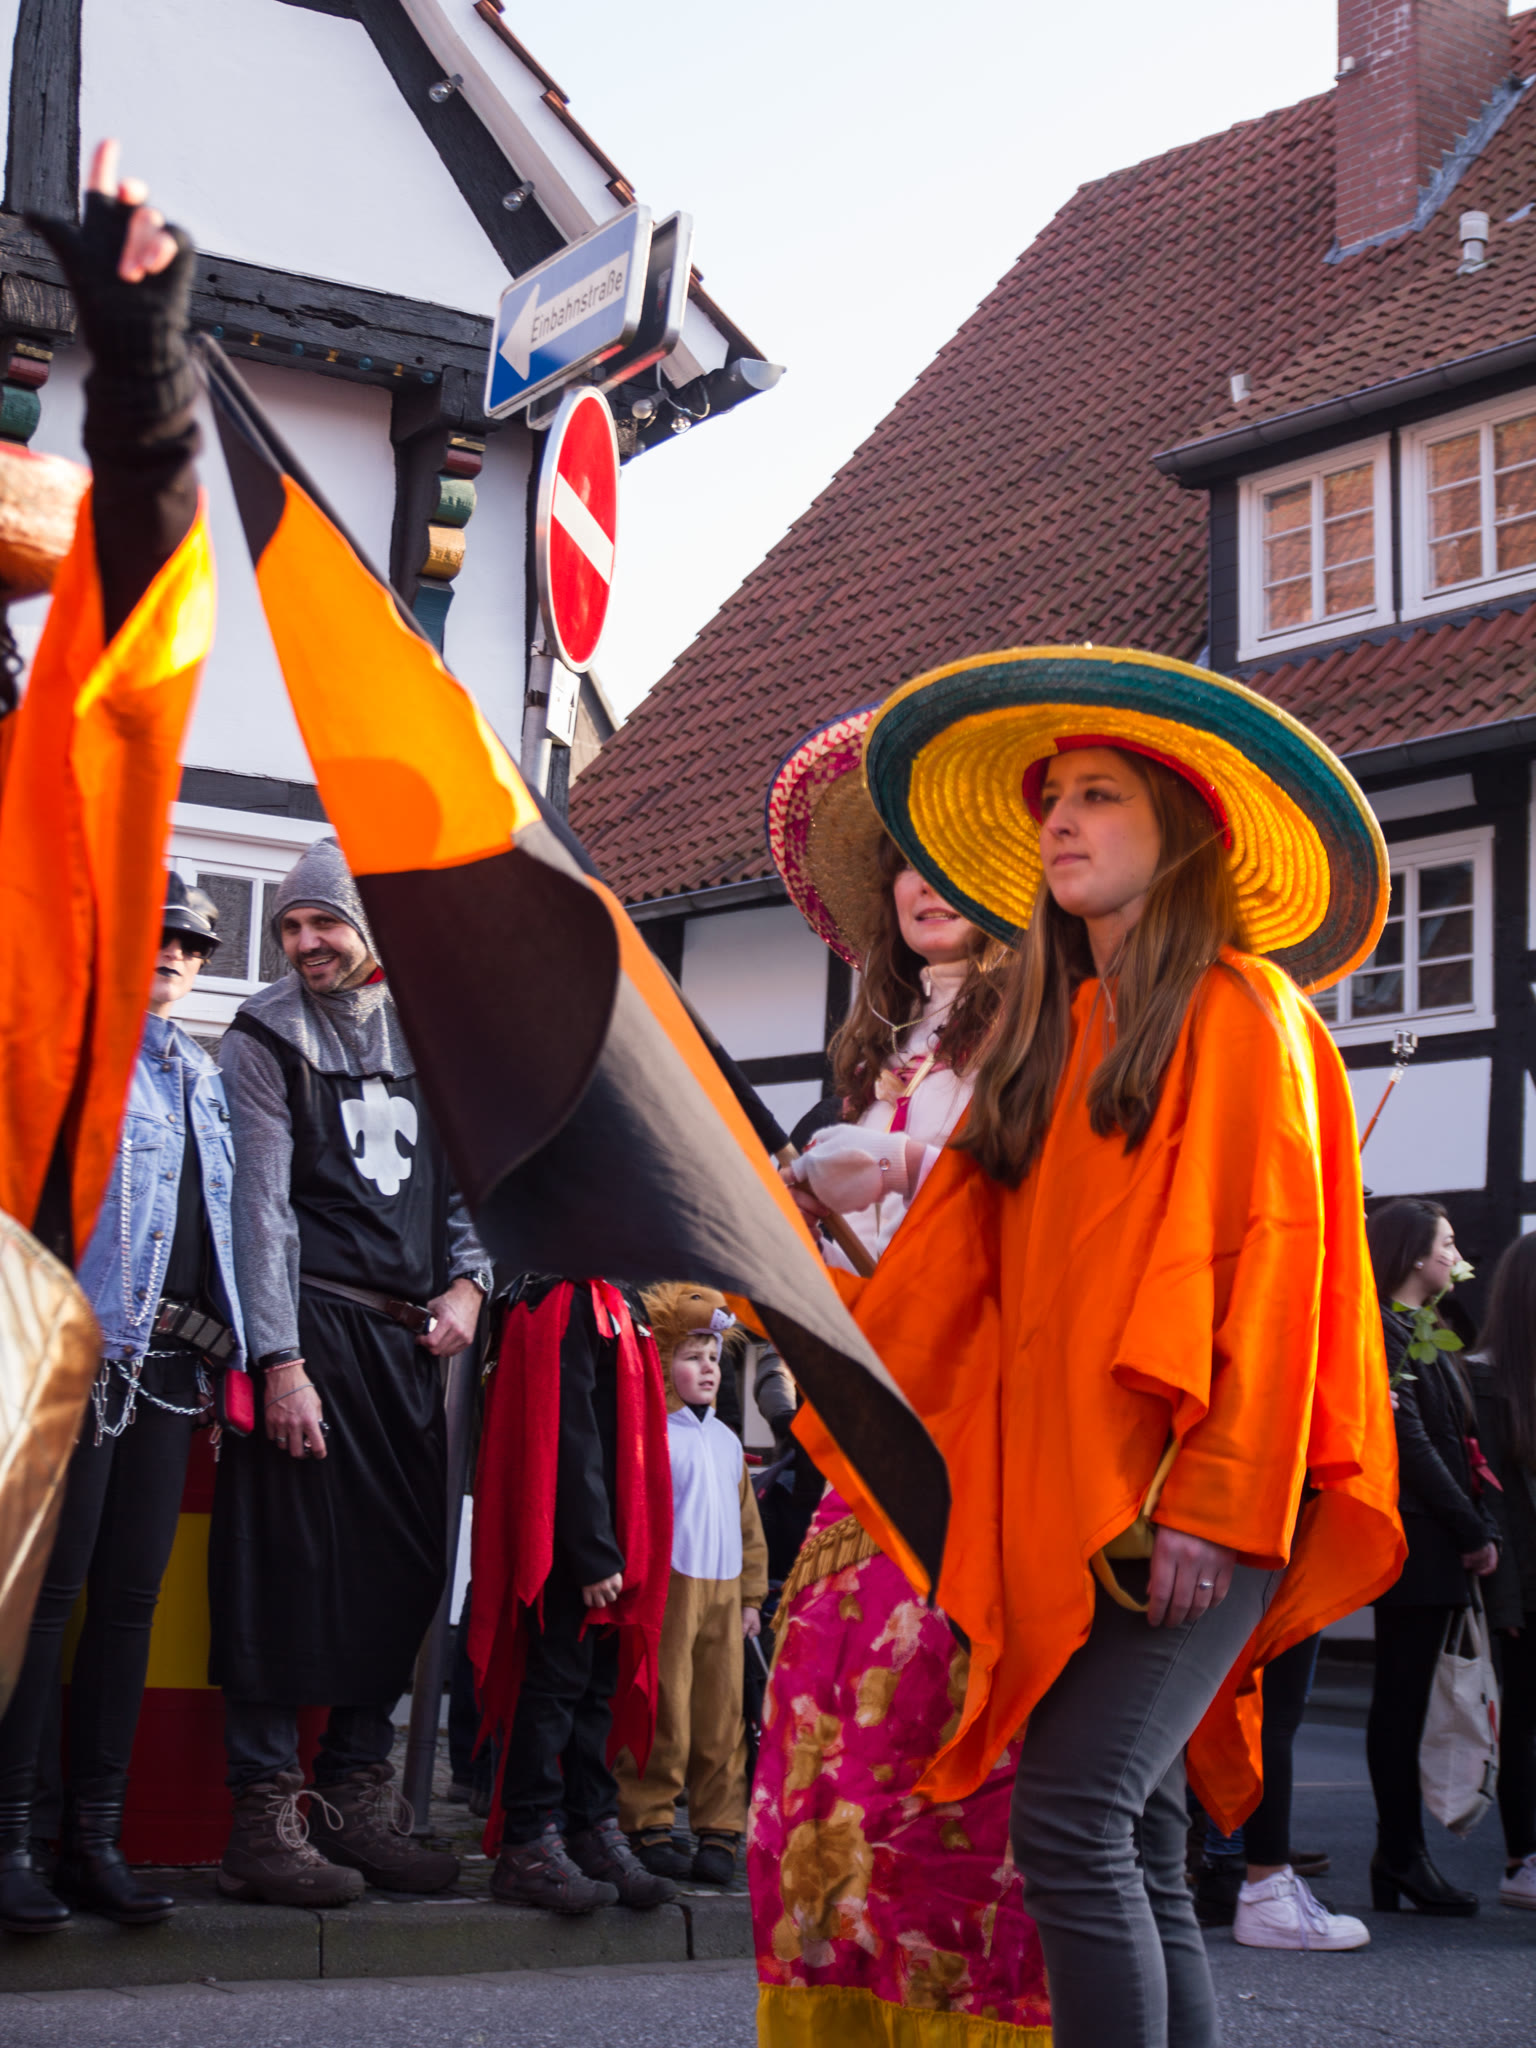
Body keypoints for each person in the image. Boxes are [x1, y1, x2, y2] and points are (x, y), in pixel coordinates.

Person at [787, 649, 1405, 2048]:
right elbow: (959, 1274)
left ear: (1181, 829)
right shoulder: (1057, 1033)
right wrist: (787, 1239)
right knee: (1131, 1845)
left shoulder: (1247, 1011)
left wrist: (1214, 1497)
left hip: (1196, 1496)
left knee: (1072, 1822)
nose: (1060, 819)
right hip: (1086, 1498)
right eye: (1051, 797)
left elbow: (1274, 1272)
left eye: (1099, 794)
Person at [752, 708, 1049, 2046]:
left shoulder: (1051, 1023)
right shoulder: (884, 1045)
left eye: (951, 853)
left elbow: (1057, 1210)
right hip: (870, 1427)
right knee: (820, 1761)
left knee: (945, 1772)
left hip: (984, 1435)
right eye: (903, 859)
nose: (923, 880)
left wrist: (913, 1166)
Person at [211, 839, 491, 1906]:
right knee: (284, 1565)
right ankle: (263, 1814)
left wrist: (468, 1284)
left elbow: (468, 1182)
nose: (304, 942)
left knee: (400, 1565)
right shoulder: (262, 1034)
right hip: (309, 1329)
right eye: (290, 926)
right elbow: (258, 1208)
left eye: (322, 921)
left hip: (406, 1342)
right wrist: (279, 1359)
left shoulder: (433, 1032)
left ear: (368, 927)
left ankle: (355, 1798)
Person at [0, 877, 246, 1935]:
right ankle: (12, 1838)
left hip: (175, 1369)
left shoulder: (203, 1074)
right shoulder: (70, 1061)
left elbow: (226, 1226)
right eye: (155, 937)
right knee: (46, 1598)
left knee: (130, 1601)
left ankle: (94, 1841)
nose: (174, 954)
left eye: (190, 942)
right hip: (79, 1361)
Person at [470, 1276, 678, 1914]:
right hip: (572, 1545)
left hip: (612, 1540)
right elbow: (565, 1428)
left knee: (594, 1692)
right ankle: (527, 1842)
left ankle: (590, 1825)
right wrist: (591, 1550)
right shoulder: (560, 1295)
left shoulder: (614, 1297)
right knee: (554, 1688)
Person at [1365, 1197, 1498, 1916]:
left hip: (1437, 1534)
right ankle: (1400, 1853)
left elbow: (1457, 1442)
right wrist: (1471, 1528)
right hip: (1419, 1536)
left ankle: (1402, 1855)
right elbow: (1411, 1445)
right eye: (1446, 1245)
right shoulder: (1387, 1330)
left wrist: (1475, 1523)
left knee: (1411, 1697)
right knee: (1402, 1698)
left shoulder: (1426, 1328)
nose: (1457, 1257)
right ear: (1414, 1255)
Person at [618, 1285, 768, 1886]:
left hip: (725, 1597)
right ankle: (648, 1816)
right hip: (671, 1592)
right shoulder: (653, 1435)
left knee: (723, 1713)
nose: (707, 1368)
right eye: (691, 1356)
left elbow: (748, 1526)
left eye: (713, 1357)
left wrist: (751, 1597)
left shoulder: (728, 1442)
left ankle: (720, 1824)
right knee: (665, 1705)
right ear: (662, 1362)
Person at [1463, 1230, 1536, 1910]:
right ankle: (1522, 1857)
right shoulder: (1483, 1378)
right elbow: (1494, 1503)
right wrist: (1505, 1600)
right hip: (1521, 1583)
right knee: (1523, 1722)